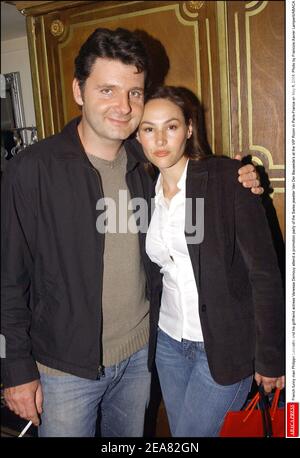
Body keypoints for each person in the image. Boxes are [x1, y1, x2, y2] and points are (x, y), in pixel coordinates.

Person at [1, 28, 262, 438]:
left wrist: (239, 176)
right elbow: (9, 279)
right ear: (78, 90)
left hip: (142, 355)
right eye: (107, 90)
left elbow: (197, 170)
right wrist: (16, 370)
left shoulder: (146, 161)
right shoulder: (32, 170)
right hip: (66, 367)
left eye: (134, 93)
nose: (123, 107)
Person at [136, 86, 285, 437]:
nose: (159, 138)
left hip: (224, 345)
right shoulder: (144, 190)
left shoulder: (226, 180)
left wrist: (271, 355)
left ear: (189, 128)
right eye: (148, 128)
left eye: (170, 126)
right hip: (168, 343)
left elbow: (264, 273)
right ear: (138, 135)